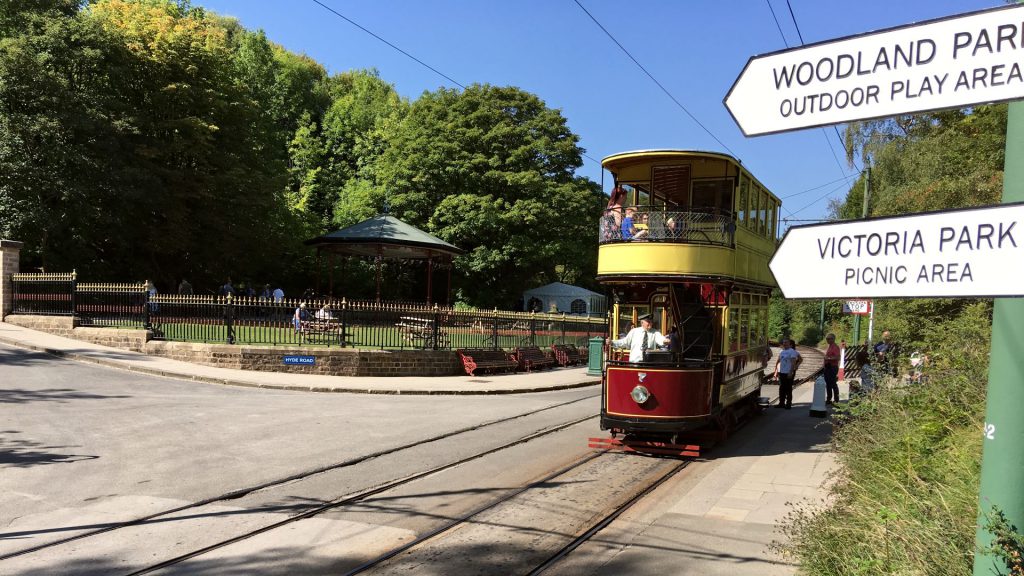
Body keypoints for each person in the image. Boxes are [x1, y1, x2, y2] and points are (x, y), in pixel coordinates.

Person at [774, 338, 802, 409]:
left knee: (788, 388)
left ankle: (788, 404)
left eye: (786, 342)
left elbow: (793, 363)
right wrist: (776, 371)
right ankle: (781, 403)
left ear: (790, 344)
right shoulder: (782, 352)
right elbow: (779, 362)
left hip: (788, 372)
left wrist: (791, 371)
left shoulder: (792, 352)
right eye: (783, 342)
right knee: (781, 388)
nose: (784, 344)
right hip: (782, 372)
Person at [823, 333, 841, 405]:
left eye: (829, 339)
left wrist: (829, 358)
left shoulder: (835, 347)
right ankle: (829, 399)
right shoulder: (829, 346)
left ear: (833, 339)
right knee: (828, 383)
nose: (828, 340)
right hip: (828, 367)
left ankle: (836, 399)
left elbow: (838, 357)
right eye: (827, 339)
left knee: (833, 383)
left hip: (832, 367)